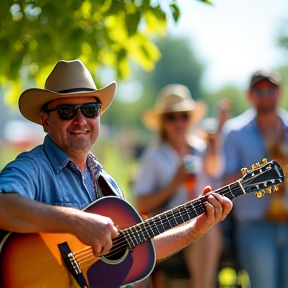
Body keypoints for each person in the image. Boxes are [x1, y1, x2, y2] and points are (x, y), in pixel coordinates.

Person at [0, 60, 232, 288]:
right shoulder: (34, 167)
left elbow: (139, 245)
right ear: (45, 120)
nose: (80, 120)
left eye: (90, 110)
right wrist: (77, 223)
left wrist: (194, 230)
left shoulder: (105, 181)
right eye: (67, 111)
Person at [133, 84, 224, 288]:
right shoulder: (153, 156)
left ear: (191, 119)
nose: (179, 122)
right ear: (162, 123)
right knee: (206, 228)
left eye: (184, 115)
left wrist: (214, 149)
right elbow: (141, 203)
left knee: (207, 225)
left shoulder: (203, 150)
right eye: (171, 116)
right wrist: (173, 185)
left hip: (202, 221)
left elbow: (216, 175)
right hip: (168, 224)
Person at [221, 69, 288, 288]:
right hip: (254, 224)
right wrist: (262, 173)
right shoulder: (234, 132)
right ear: (250, 95)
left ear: (280, 92)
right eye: (259, 90)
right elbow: (226, 181)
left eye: (271, 89)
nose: (266, 94)